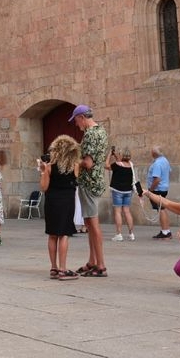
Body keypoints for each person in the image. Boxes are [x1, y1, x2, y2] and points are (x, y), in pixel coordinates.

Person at [70, 104, 108, 277]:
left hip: (89, 181)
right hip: (96, 180)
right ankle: (92, 261)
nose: (76, 124)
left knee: (92, 223)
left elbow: (88, 163)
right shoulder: (101, 131)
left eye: (76, 121)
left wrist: (72, 162)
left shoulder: (91, 134)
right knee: (89, 224)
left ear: (82, 117)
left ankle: (100, 264)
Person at [39, 135, 79, 280]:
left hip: (51, 201)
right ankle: (63, 268)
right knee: (64, 234)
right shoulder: (74, 166)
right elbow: (76, 181)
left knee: (52, 234)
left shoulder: (49, 166)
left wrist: (43, 171)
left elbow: (43, 187)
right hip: (67, 201)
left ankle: (54, 268)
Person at [107, 147, 138, 241]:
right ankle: (131, 234)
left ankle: (119, 234)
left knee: (118, 212)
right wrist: (116, 155)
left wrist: (109, 154)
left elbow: (107, 165)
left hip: (117, 191)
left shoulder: (117, 165)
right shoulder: (131, 165)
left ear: (122, 155)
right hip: (128, 191)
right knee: (127, 212)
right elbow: (121, 162)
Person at [147, 146, 172, 239]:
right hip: (164, 188)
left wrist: (151, 190)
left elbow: (157, 179)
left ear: (154, 153)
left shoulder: (157, 163)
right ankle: (166, 230)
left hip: (158, 189)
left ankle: (165, 232)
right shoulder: (165, 160)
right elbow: (168, 172)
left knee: (161, 209)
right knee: (163, 208)